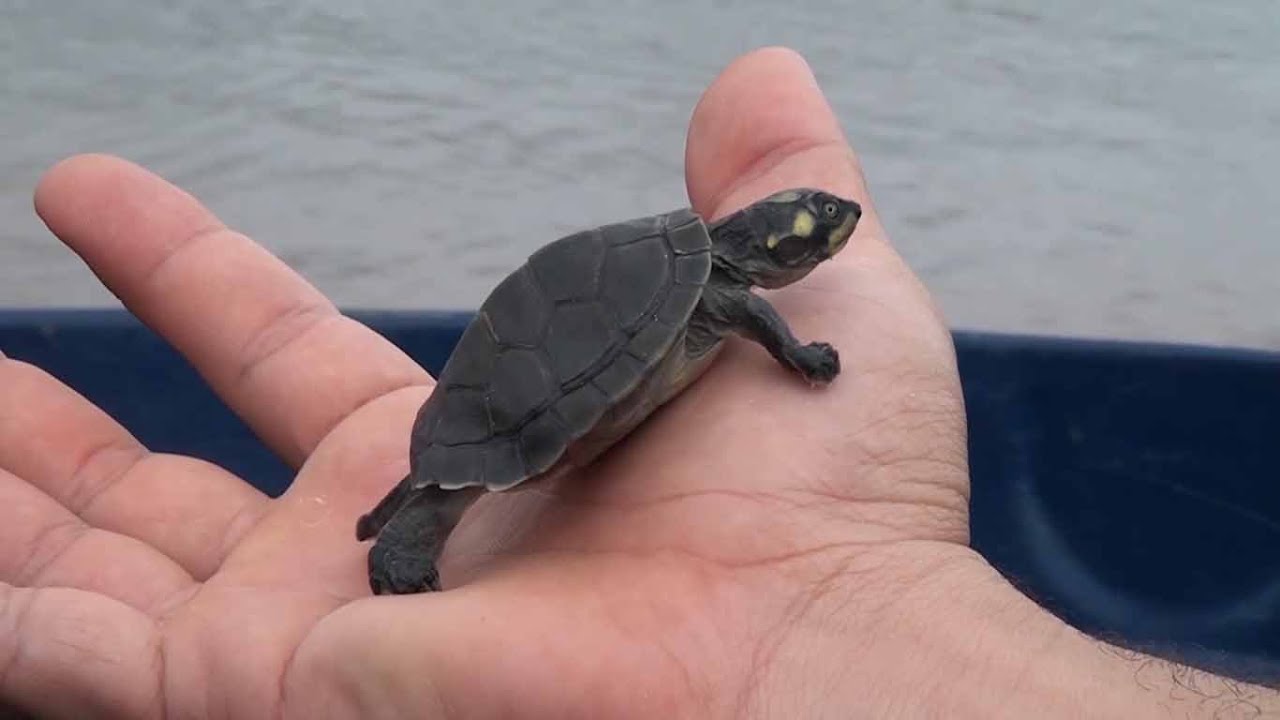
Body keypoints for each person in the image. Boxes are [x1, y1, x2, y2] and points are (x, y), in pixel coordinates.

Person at [0, 46, 1273, 719]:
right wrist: (805, 354)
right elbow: (743, 324)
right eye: (812, 232)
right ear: (773, 243)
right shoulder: (720, 285)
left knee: (447, 477)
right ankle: (411, 533)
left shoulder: (711, 273)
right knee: (447, 495)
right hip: (518, 397)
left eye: (820, 231)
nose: (821, 244)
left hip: (510, 386)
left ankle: (416, 509)